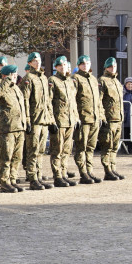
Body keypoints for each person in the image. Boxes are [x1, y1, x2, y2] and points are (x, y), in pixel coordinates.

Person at [20, 52, 56, 190]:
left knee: (41, 150)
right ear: (29, 63)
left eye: (39, 60)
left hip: (44, 119)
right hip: (34, 119)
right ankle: (32, 178)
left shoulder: (43, 78)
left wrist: (51, 119)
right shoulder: (28, 78)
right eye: (34, 61)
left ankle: (39, 176)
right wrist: (27, 120)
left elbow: (48, 102)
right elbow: (25, 100)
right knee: (32, 150)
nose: (37, 63)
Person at [0, 64, 28, 193]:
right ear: (5, 76)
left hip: (19, 127)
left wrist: (25, 123)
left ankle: (13, 180)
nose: (14, 77)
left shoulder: (16, 89)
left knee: (17, 157)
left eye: (15, 75)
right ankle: (4, 182)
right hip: (6, 128)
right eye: (12, 75)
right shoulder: (0, 87)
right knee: (6, 157)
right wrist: (6, 81)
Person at [72, 55, 104, 184]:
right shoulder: (76, 78)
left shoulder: (92, 79)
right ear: (79, 65)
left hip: (94, 118)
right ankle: (83, 172)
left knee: (91, 147)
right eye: (83, 64)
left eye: (87, 63)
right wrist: (76, 117)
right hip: (83, 118)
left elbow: (98, 100)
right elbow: (72, 99)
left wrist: (101, 115)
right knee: (81, 146)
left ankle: (89, 170)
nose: (85, 66)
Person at [48, 57, 79, 187]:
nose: (62, 67)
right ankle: (57, 176)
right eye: (59, 65)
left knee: (67, 150)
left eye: (64, 65)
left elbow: (73, 102)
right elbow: (48, 102)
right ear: (56, 67)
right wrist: (51, 120)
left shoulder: (70, 82)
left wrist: (76, 117)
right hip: (59, 121)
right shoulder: (53, 80)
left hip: (70, 121)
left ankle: (64, 173)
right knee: (57, 150)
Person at [98, 57, 125, 180]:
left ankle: (113, 168)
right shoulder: (102, 81)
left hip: (118, 118)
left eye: (114, 66)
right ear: (106, 68)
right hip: (109, 119)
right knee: (107, 146)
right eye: (110, 66)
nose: (112, 68)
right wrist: (102, 117)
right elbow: (99, 100)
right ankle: (107, 170)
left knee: (115, 146)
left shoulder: (117, 82)